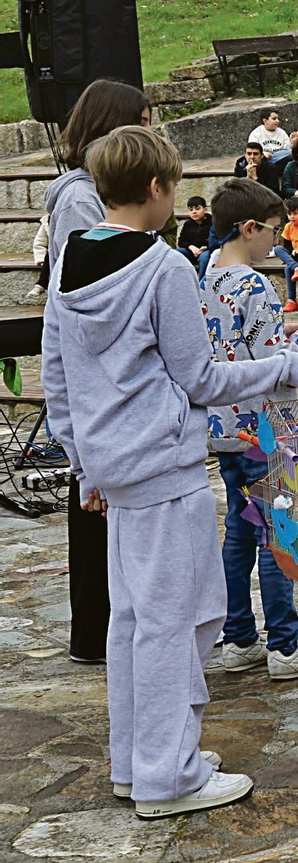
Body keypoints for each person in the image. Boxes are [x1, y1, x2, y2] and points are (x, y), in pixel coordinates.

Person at [43, 126, 298, 817]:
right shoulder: (162, 266)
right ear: (156, 188)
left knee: (134, 620)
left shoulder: (70, 256)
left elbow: (57, 374)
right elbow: (202, 379)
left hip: (115, 469)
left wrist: (84, 466)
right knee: (177, 621)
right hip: (163, 467)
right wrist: (292, 367)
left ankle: (138, 762)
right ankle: (168, 776)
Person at [201, 178, 298, 685]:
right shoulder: (256, 284)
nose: (278, 240)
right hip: (264, 428)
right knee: (277, 533)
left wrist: (288, 334)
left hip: (225, 427)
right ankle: (285, 644)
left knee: (239, 533)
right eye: (274, 230)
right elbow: (270, 364)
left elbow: (238, 342)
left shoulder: (207, 274)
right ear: (248, 228)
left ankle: (239, 638)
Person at [43, 78, 152, 664]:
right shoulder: (81, 200)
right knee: (93, 513)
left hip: (108, 372)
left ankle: (108, 629)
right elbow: (86, 288)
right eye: (143, 125)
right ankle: (94, 633)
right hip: (99, 374)